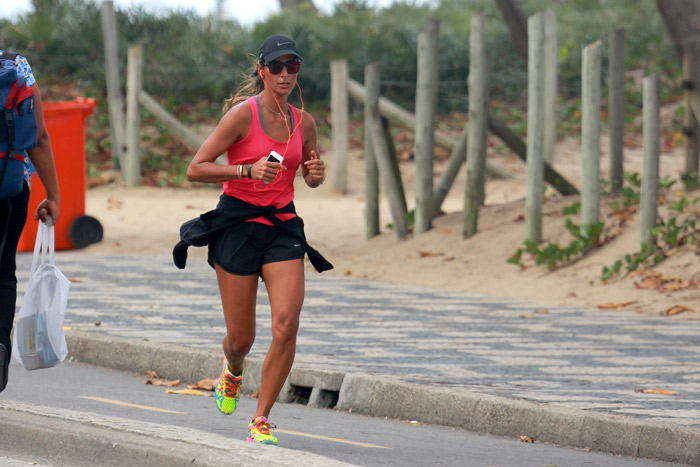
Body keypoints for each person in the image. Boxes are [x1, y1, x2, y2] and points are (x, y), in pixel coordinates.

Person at [173, 34, 332, 445]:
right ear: (261, 70)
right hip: (238, 225)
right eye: (275, 66)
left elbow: (309, 173)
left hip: (282, 227)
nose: (284, 73)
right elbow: (196, 168)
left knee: (287, 323)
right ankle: (233, 367)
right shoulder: (242, 117)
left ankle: (261, 418)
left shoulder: (305, 122)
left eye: (291, 65)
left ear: (298, 70)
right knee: (243, 338)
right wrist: (244, 171)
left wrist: (314, 176)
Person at [0, 50, 61, 392]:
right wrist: (53, 195)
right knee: (4, 270)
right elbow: (37, 136)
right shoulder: (16, 65)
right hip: (9, 187)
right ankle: (0, 345)